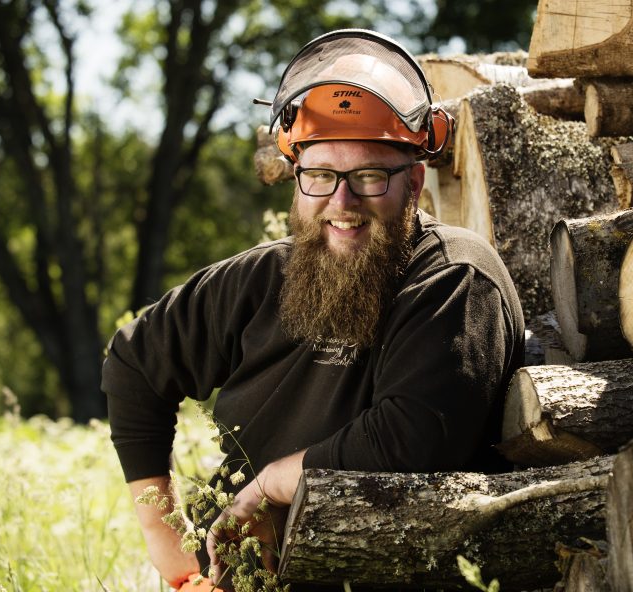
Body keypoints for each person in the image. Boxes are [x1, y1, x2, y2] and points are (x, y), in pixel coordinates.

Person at [101, 29, 525, 589]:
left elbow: (413, 437)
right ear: (297, 180)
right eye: (320, 176)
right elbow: (134, 365)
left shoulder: (453, 279)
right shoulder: (259, 280)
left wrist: (273, 482)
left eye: (369, 177)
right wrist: (169, 546)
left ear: (415, 182)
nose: (341, 202)